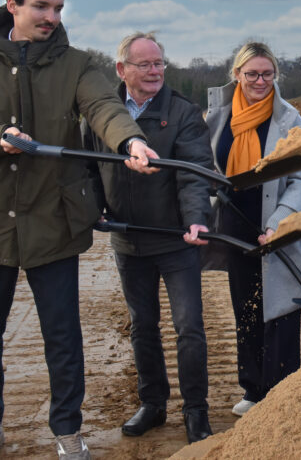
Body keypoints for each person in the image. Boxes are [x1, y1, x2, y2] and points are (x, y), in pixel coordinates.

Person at [0, 0, 157, 460]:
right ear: (12, 4)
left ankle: (67, 430)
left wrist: (131, 141)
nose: (51, 16)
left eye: (57, 8)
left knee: (62, 336)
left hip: (54, 220)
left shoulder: (77, 65)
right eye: (41, 6)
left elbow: (104, 108)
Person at [82, 32, 214, 443]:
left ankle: (196, 410)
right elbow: (88, 168)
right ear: (121, 69)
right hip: (128, 240)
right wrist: (94, 208)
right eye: (145, 64)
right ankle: (153, 404)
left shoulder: (183, 112)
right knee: (142, 325)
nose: (155, 71)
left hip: (175, 241)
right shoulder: (102, 113)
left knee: (189, 326)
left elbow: (194, 172)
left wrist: (196, 219)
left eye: (159, 63)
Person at [191, 42, 301, 417]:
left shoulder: (290, 120)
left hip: (278, 227)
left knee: (280, 310)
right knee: (246, 308)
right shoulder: (218, 116)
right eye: (252, 74)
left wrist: (279, 221)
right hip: (237, 226)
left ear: (275, 74)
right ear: (237, 75)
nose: (260, 81)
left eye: (267, 74)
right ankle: (252, 388)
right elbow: (206, 166)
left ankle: (282, 392)